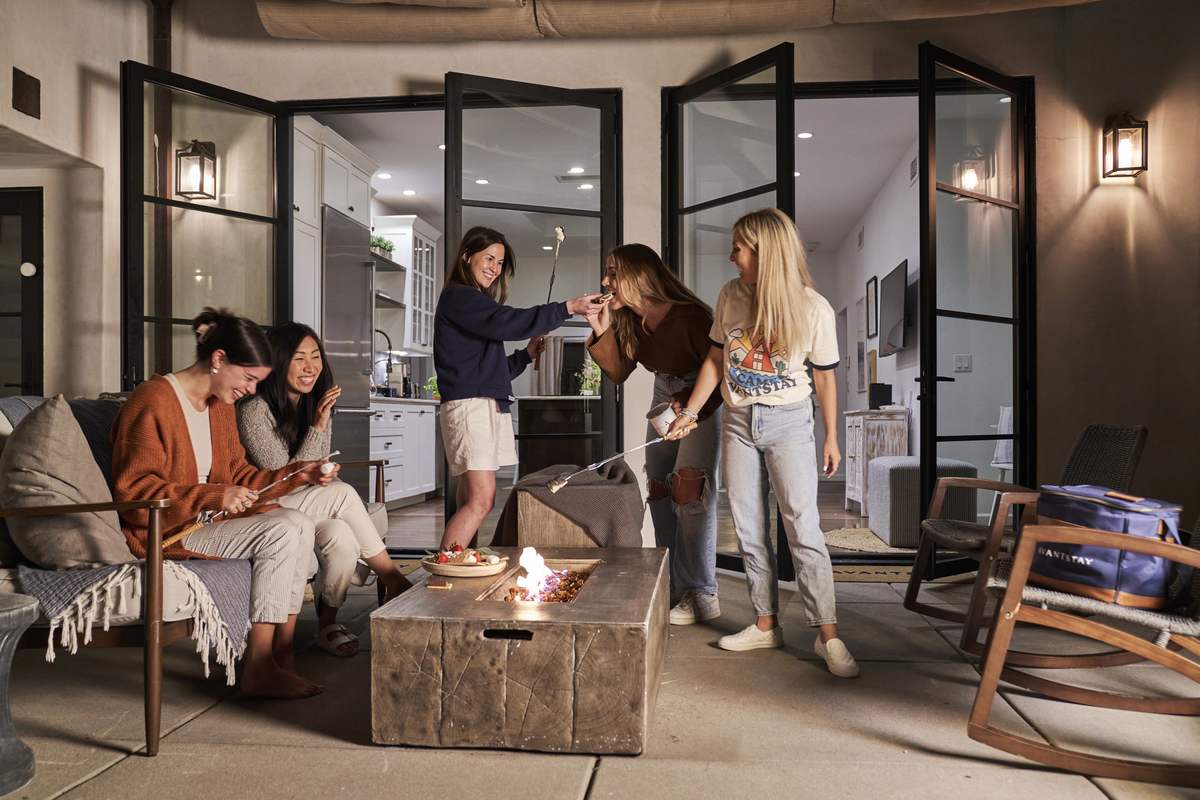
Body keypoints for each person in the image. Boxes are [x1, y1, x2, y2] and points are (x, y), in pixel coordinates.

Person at [667, 208, 859, 679]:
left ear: (764, 252)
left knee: (802, 526)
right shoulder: (731, 295)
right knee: (750, 525)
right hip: (736, 421)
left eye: (739, 247)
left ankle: (827, 634)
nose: (732, 256)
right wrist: (690, 413)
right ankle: (765, 623)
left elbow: (826, 377)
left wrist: (831, 436)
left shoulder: (813, 307)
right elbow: (715, 361)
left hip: (790, 422)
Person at [112, 308, 337, 698]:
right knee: (281, 530)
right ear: (218, 360)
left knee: (297, 521)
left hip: (207, 521)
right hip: (167, 532)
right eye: (248, 379)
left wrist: (301, 473)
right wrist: (215, 495)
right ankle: (260, 665)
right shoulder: (153, 402)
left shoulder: (220, 406)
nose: (251, 391)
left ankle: (281, 656)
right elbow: (134, 494)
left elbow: (241, 476)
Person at [237, 322, 412, 658]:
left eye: (315, 356)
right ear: (277, 362)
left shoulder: (313, 404)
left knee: (342, 537)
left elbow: (313, 471)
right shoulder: (254, 410)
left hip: (302, 506)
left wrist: (323, 464)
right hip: (265, 506)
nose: (310, 366)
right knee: (343, 494)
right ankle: (392, 578)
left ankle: (327, 625)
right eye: (299, 358)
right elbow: (283, 479)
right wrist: (318, 427)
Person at [583, 243, 723, 625]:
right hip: (665, 394)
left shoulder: (691, 317)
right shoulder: (630, 318)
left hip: (698, 393)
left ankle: (701, 592)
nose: (605, 281)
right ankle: (673, 582)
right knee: (660, 486)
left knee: (690, 489)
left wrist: (690, 408)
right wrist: (601, 328)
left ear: (639, 275)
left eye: (613, 273)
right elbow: (618, 371)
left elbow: (718, 369)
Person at [434, 225, 597, 549]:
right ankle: (445, 577)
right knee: (481, 501)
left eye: (499, 263)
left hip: (480, 403)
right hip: (470, 408)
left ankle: (461, 566)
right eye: (489, 258)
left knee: (472, 499)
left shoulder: (473, 303)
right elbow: (507, 322)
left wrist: (525, 355)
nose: (494, 268)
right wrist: (567, 308)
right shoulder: (460, 296)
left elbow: (489, 372)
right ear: (467, 256)